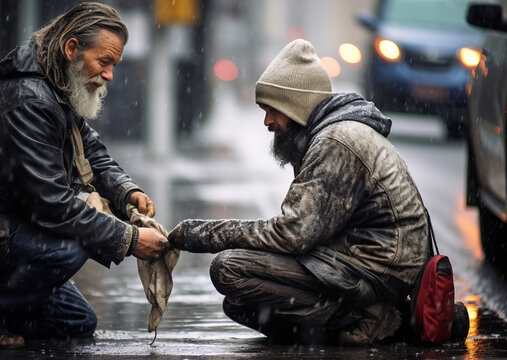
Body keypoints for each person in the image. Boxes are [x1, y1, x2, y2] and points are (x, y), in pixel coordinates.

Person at [0, 2, 169, 349]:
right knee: (73, 244)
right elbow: (51, 205)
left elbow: (93, 152)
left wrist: (126, 192)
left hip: (4, 220)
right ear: (71, 49)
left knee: (75, 322)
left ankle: (4, 306)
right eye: (105, 61)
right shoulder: (28, 100)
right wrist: (128, 239)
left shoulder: (57, 88)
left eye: (114, 64)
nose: (110, 74)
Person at [168, 39, 446, 345]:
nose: (267, 121)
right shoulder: (323, 134)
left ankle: (374, 318)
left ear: (296, 106)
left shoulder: (336, 141)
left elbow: (292, 234)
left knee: (229, 269)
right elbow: (303, 232)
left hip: (380, 272)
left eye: (272, 109)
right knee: (241, 303)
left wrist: (198, 234)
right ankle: (374, 325)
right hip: (360, 263)